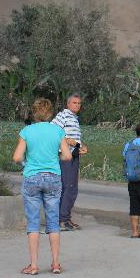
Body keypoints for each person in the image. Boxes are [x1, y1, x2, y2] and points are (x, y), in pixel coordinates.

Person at [13, 97, 73, 275]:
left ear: (34, 112)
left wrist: (27, 164)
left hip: (32, 177)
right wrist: (56, 159)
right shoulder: (57, 131)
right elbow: (68, 156)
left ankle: (33, 265)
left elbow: (16, 157)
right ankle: (55, 263)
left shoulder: (27, 131)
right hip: (53, 177)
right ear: (50, 113)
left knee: (33, 223)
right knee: (53, 221)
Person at [52, 93, 88, 231]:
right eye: (74, 103)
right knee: (69, 188)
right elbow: (53, 130)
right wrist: (66, 140)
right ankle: (62, 220)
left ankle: (65, 218)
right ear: (68, 104)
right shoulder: (63, 115)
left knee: (71, 188)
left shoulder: (74, 118)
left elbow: (74, 138)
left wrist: (81, 146)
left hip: (73, 154)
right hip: (65, 156)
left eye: (79, 103)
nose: (77, 105)